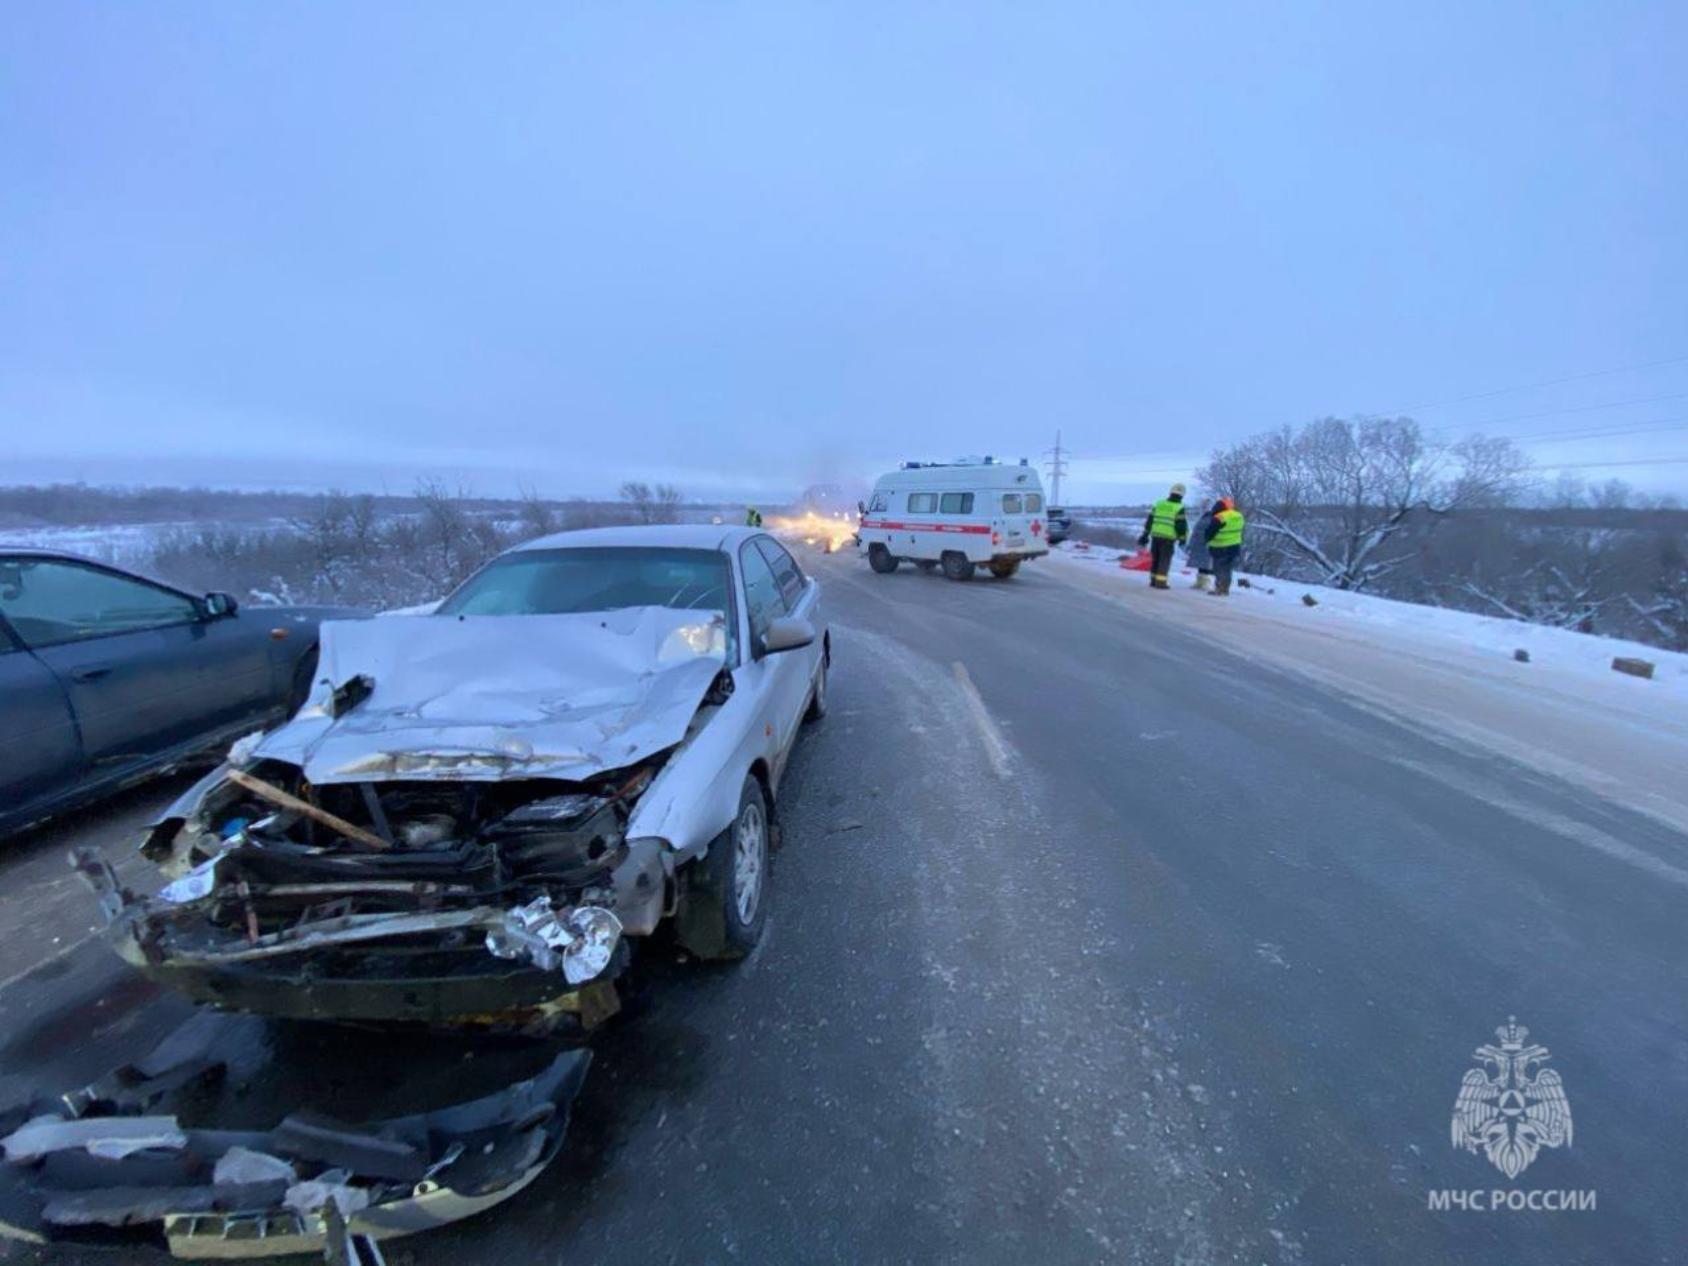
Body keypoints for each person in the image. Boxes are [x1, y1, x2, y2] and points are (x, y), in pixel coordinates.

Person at [1137, 483, 1189, 590]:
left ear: (1170, 493)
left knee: (1155, 558)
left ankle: (1153, 580)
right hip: (1168, 538)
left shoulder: (1159, 504)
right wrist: (1182, 539)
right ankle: (1160, 582)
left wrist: (1145, 534)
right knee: (1164, 560)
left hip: (1155, 536)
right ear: (1182, 496)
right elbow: (1181, 525)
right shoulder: (1179, 507)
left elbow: (1150, 521)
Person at [1204, 496, 1245, 596]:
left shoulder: (1219, 517)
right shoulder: (1239, 516)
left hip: (1220, 547)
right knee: (1227, 569)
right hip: (1234, 547)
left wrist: (1206, 539)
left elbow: (1210, 532)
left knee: (1219, 569)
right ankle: (1225, 589)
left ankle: (1219, 588)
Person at [1187, 502, 1217, 590]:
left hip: (1203, 544)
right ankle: (1202, 582)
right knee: (1203, 564)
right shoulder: (1208, 519)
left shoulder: (1207, 519)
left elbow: (1196, 531)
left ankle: (1202, 582)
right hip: (1203, 544)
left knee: (1204, 564)